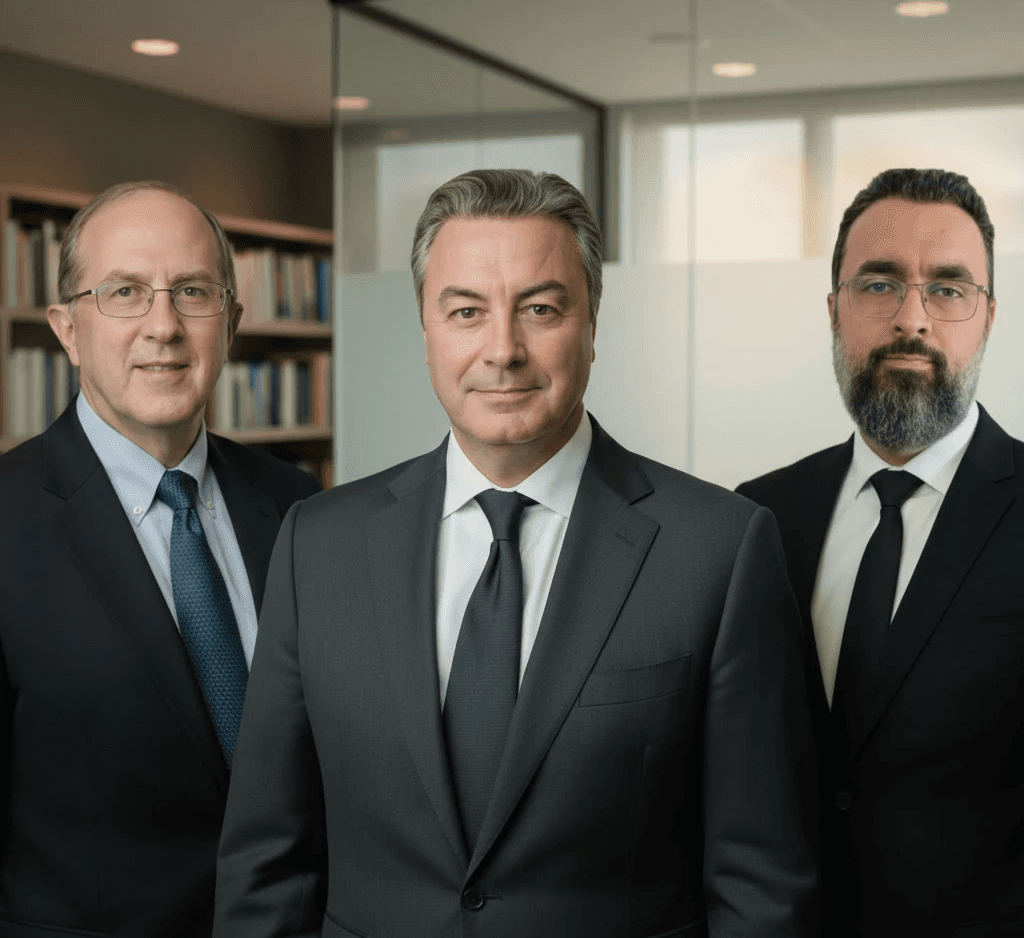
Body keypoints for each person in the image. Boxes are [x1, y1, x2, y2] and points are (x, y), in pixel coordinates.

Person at [213, 169, 819, 938]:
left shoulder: (720, 549)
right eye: (466, 311)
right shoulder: (317, 545)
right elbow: (269, 863)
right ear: (427, 331)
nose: (502, 350)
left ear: (592, 322)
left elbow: (760, 884)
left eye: (540, 308)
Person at [0, 181, 320, 936]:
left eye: (192, 292)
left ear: (233, 323)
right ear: (67, 328)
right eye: (124, 293)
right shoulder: (6, 520)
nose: (164, 326)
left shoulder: (301, 507)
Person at [737, 168, 1024, 936]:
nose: (913, 320)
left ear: (988, 316)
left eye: (949, 289)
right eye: (879, 285)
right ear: (833, 311)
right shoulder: (756, 515)